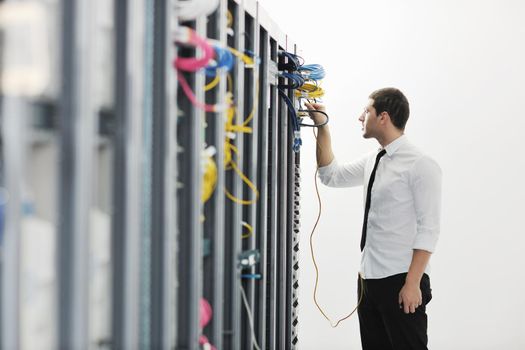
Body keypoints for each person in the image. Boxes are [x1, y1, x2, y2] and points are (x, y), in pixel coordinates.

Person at [305, 87, 442, 350]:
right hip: (369, 281)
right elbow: (330, 176)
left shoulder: (420, 164)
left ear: (383, 117)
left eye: (366, 111)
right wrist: (322, 127)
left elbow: (429, 229)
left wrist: (412, 283)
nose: (360, 117)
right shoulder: (374, 159)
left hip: (401, 281)